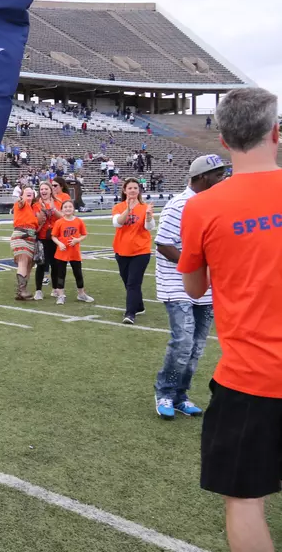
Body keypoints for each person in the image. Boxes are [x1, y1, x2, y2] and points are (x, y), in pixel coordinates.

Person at [177, 88, 282, 552]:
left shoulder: (201, 207)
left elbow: (195, 288)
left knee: (244, 501)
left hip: (250, 380)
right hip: (252, 377)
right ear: (275, 132)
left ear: (222, 139)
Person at [152, 155, 227, 420]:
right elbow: (163, 243)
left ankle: (180, 396)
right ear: (203, 177)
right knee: (183, 342)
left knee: (196, 347)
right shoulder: (179, 205)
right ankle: (164, 393)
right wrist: (193, 266)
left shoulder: (215, 204)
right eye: (219, 175)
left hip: (206, 287)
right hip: (178, 285)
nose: (223, 179)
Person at [112, 178, 155, 324]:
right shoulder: (118, 207)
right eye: (129, 188)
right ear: (124, 190)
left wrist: (149, 216)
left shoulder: (144, 207)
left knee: (133, 283)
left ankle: (130, 313)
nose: (132, 191)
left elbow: (150, 227)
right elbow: (117, 223)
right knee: (127, 281)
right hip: (121, 250)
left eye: (135, 188)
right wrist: (128, 209)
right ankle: (139, 305)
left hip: (141, 251)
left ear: (139, 190)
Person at [50, 200, 94, 305]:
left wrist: (77, 240)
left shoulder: (79, 221)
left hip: (74, 252)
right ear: (62, 210)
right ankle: (61, 295)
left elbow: (84, 234)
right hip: (62, 253)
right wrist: (59, 244)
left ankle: (81, 294)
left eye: (70, 206)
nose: (68, 209)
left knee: (78, 273)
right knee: (61, 274)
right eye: (65, 207)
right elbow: (53, 236)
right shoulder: (59, 222)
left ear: (73, 209)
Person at [32, 181, 62, 300]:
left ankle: (55, 288)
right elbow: (35, 220)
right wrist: (41, 215)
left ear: (50, 190)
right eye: (41, 189)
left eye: (46, 189)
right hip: (42, 237)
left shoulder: (58, 203)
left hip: (55, 237)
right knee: (41, 264)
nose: (43, 191)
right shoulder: (36, 204)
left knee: (55, 264)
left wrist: (54, 210)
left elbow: (63, 217)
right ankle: (38, 290)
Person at [10, 186, 39, 300]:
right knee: (23, 260)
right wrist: (20, 199)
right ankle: (21, 290)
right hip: (21, 235)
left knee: (29, 264)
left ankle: (22, 290)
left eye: (31, 192)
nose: (29, 192)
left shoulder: (33, 210)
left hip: (31, 238)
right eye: (26, 192)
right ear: (21, 195)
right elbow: (20, 202)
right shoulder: (20, 204)